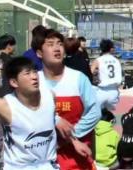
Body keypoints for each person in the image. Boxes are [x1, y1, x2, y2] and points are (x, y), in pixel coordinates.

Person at [0, 56, 60, 170]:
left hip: (48, 165)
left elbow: (52, 120)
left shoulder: (50, 97)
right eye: (27, 73)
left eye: (35, 72)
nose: (34, 77)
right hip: (18, 167)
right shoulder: (3, 105)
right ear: (14, 82)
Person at [40, 29, 100, 170]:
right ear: (39, 53)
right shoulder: (34, 81)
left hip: (78, 158)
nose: (57, 48)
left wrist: (69, 137)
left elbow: (95, 112)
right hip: (44, 160)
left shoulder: (78, 78)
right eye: (50, 44)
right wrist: (56, 121)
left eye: (60, 44)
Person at [94, 39, 123, 112]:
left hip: (102, 90)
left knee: (98, 113)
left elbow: (91, 72)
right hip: (114, 91)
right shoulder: (116, 60)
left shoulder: (98, 60)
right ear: (111, 49)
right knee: (110, 113)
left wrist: (96, 74)